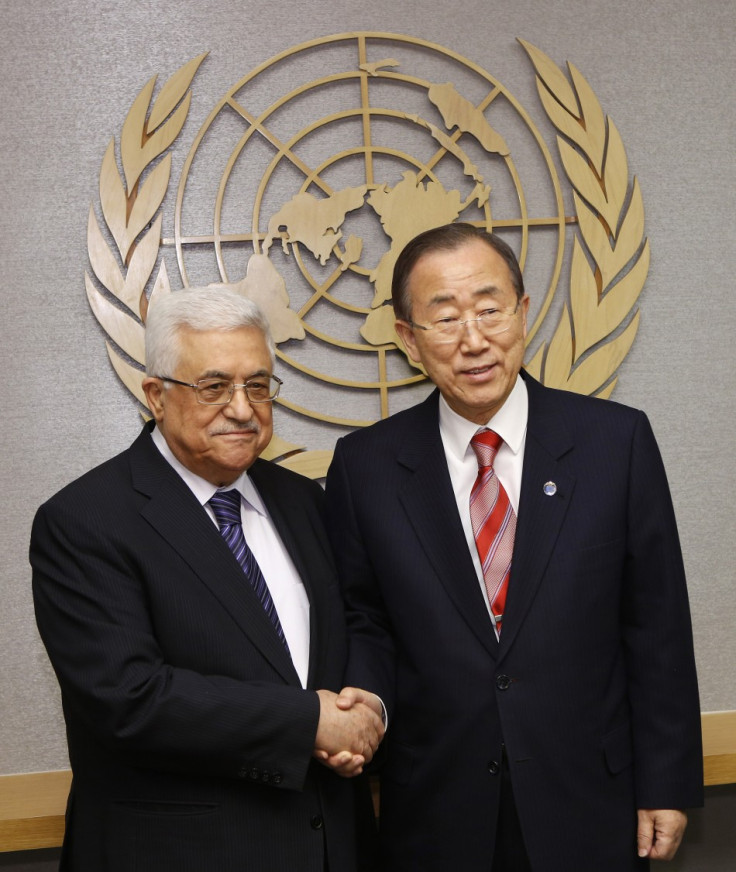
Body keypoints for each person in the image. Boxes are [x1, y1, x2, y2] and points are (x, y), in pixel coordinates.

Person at [324, 223, 703, 871]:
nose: (474, 339)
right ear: (409, 340)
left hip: (591, 797)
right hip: (438, 806)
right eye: (445, 319)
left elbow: (655, 626)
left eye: (490, 309)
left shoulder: (616, 443)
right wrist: (367, 702)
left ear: (524, 313)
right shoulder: (367, 468)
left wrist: (667, 782)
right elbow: (365, 619)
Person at [31, 287, 383, 872]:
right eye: (214, 387)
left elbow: (355, 623)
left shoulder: (302, 501)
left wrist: (364, 707)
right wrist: (308, 722)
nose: (243, 409)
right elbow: (129, 699)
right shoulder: (83, 521)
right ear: (156, 396)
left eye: (259, 385)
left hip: (332, 846)